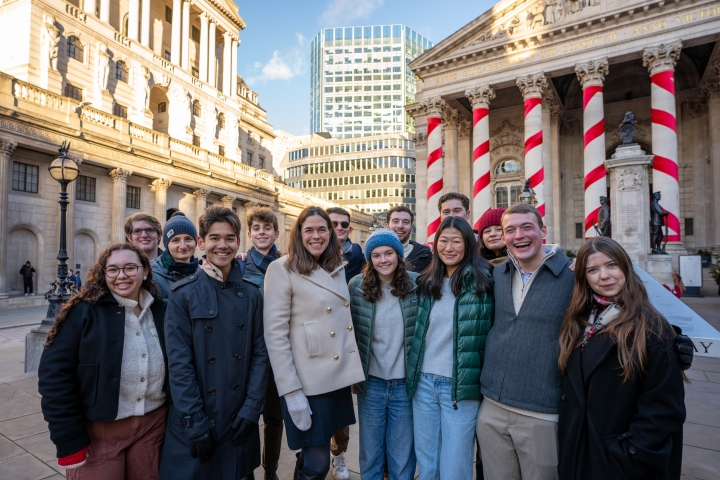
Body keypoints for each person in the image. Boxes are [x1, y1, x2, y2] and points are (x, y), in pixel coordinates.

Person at [557, 236, 686, 480]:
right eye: (593, 270)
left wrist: (628, 454)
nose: (604, 276)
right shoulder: (581, 320)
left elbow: (663, 409)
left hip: (619, 462)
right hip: (580, 453)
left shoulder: (652, 327)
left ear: (626, 268)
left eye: (612, 265)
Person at [38, 243, 168, 479]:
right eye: (113, 270)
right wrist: (69, 439)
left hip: (153, 426)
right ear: (104, 273)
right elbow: (54, 376)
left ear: (145, 270)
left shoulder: (161, 310)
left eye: (130, 268)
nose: (122, 276)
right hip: (100, 432)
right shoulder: (83, 312)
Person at [159, 206, 269, 480]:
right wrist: (195, 422)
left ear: (238, 242)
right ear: (201, 243)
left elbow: (260, 355)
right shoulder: (182, 295)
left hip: (238, 419)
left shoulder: (253, 295)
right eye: (215, 238)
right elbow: (179, 364)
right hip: (196, 418)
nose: (222, 245)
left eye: (230, 238)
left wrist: (252, 409)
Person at [264, 207, 365, 480]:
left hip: (336, 378)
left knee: (312, 456)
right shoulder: (281, 268)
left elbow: (342, 324)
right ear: (298, 234)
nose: (316, 236)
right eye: (309, 229)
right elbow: (275, 335)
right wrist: (291, 391)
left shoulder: (336, 267)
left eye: (322, 229)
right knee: (318, 463)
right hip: (307, 383)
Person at [477, 203, 574, 480]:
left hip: (542, 411)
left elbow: (619, 309)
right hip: (492, 406)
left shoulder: (573, 276)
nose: (519, 235)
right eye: (510, 230)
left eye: (526, 227)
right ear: (504, 237)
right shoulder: (497, 273)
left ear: (543, 231)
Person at [406, 216, 494, 479]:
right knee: (428, 463)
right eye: (443, 241)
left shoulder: (485, 282)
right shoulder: (426, 282)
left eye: (456, 241)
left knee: (455, 467)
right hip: (423, 384)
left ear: (468, 244)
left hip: (460, 387)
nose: (449, 247)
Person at [349, 228, 419, 480]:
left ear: (399, 255)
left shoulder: (415, 284)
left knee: (402, 455)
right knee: (371, 454)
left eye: (389, 253)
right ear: (369, 259)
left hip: (404, 384)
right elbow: (351, 333)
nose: (383, 260)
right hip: (372, 383)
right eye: (376, 255)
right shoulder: (357, 286)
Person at [243, 206, 284, 480]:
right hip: (248, 351)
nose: (261, 233)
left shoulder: (288, 265)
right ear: (249, 234)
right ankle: (246, 470)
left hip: (279, 352)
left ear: (276, 233)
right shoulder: (238, 266)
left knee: (274, 416)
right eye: (256, 228)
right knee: (246, 415)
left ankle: (271, 471)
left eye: (266, 228)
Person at [326, 206, 364, 479]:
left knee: (341, 411)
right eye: (334, 224)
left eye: (344, 224)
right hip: (315, 343)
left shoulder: (359, 256)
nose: (340, 228)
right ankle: (310, 454)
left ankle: (338, 456)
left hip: (345, 342)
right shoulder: (306, 256)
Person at [150, 212, 199, 303]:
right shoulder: (150, 275)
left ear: (196, 242)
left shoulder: (204, 274)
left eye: (188, 239)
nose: (183, 246)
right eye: (175, 240)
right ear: (167, 245)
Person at [385, 205, 431, 273]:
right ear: (387, 227)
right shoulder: (375, 254)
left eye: (405, 222)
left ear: (412, 229)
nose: (400, 226)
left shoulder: (425, 255)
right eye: (395, 221)